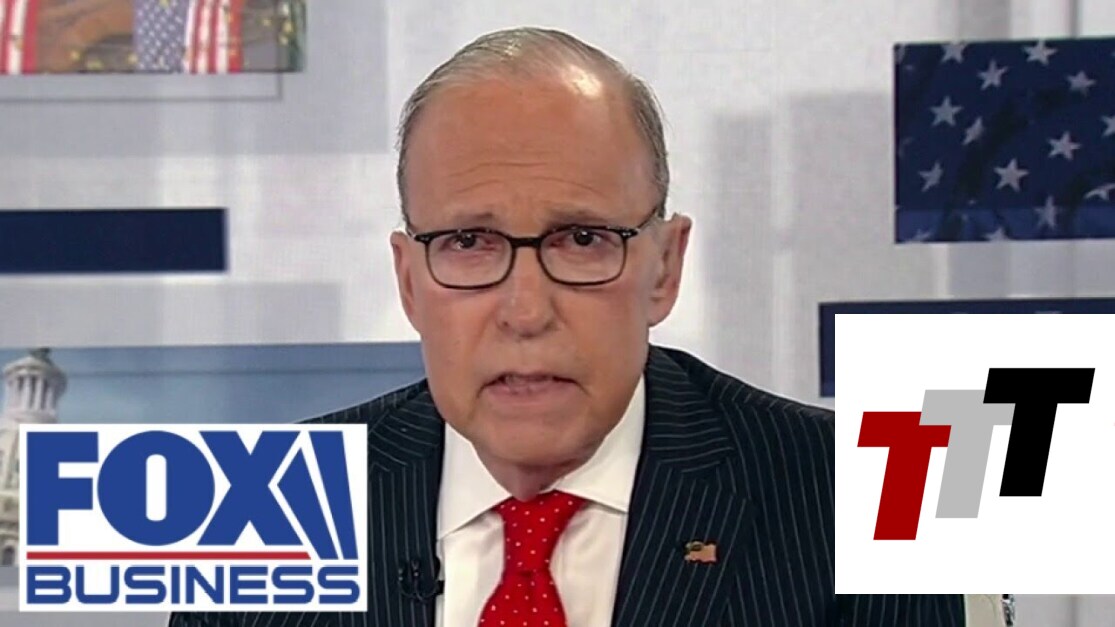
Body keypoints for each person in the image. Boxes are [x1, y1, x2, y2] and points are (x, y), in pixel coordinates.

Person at [169, 26, 968, 626]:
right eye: (468, 242)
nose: (525, 310)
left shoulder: (863, 506)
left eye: (581, 239)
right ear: (409, 281)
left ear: (664, 266)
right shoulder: (258, 517)